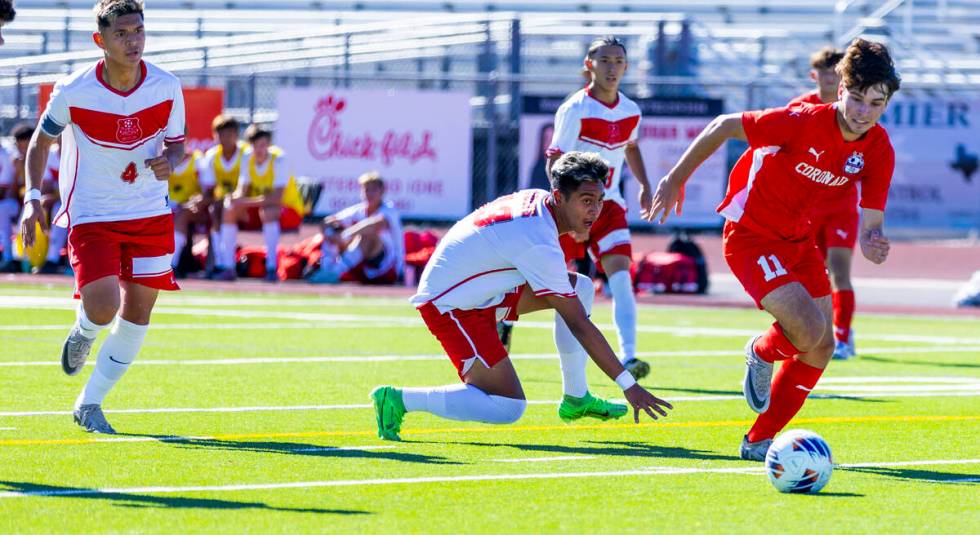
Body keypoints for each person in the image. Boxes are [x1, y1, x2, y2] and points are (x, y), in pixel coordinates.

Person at [649, 38, 900, 461]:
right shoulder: (801, 120)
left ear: (886, 103)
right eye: (856, 99)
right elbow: (724, 126)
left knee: (821, 346)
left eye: (875, 103)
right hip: (750, 236)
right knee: (806, 330)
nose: (863, 111)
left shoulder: (878, 149)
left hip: (798, 240)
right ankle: (761, 351)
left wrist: (873, 241)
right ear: (840, 91)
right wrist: (675, 178)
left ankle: (759, 440)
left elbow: (872, 221)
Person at [370, 152, 673, 441]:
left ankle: (576, 397)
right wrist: (628, 385)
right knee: (508, 406)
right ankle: (398, 399)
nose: (595, 211)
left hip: (478, 290)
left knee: (579, 288)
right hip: (450, 305)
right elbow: (579, 324)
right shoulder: (539, 240)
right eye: (585, 201)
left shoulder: (539, 205)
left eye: (598, 201)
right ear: (559, 197)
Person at [21, 0, 186, 434]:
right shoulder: (74, 90)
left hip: (151, 211)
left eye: (138, 31)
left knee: (137, 313)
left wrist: (173, 161)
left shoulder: (167, 86)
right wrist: (32, 196)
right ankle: (84, 331)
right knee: (102, 306)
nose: (133, 41)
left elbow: (178, 144)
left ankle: (89, 404)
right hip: (93, 213)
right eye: (122, 34)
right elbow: (40, 142)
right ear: (101, 40)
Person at [543, 36, 653, 381]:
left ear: (626, 67)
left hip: (611, 205)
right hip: (569, 208)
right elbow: (555, 160)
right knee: (556, 286)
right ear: (588, 65)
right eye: (604, 60)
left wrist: (646, 185)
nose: (611, 67)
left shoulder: (631, 110)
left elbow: (631, 147)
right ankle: (505, 321)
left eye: (618, 61)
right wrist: (567, 210)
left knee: (621, 276)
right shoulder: (576, 108)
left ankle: (630, 355)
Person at [791, 47, 859, 360]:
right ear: (813, 75)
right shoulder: (800, 108)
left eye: (837, 72)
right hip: (806, 208)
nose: (831, 78)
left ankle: (843, 338)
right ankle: (818, 332)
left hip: (841, 205)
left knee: (839, 272)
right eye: (825, 72)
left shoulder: (855, 111)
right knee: (810, 275)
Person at [213, 124, 303, 281]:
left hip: (289, 210)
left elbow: (276, 199)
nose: (259, 149)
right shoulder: (248, 157)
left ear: (269, 144)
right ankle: (227, 267)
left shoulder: (279, 159)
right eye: (255, 145)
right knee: (229, 209)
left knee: (267, 211)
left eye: (262, 145)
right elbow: (242, 190)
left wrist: (244, 202)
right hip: (260, 208)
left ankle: (271, 268)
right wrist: (233, 199)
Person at [307, 171, 404, 285]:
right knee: (331, 231)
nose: (369, 193)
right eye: (366, 189)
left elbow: (374, 224)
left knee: (366, 237)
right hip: (359, 266)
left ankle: (334, 273)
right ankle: (327, 269)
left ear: (382, 191)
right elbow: (326, 221)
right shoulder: (358, 210)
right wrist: (331, 234)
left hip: (387, 269)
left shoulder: (389, 210)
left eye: (374, 189)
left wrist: (345, 236)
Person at [196, 114, 245, 276]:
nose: (226, 138)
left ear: (237, 135)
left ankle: (228, 264)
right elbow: (209, 191)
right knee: (214, 210)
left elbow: (245, 188)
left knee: (226, 208)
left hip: (246, 205)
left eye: (230, 134)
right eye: (222, 134)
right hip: (223, 204)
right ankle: (219, 263)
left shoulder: (246, 154)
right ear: (215, 136)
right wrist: (199, 201)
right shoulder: (211, 156)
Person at [167, 142, 203, 275]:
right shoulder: (159, 159)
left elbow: (207, 193)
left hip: (193, 208)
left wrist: (192, 202)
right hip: (165, 207)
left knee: (182, 215)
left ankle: (172, 266)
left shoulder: (197, 160)